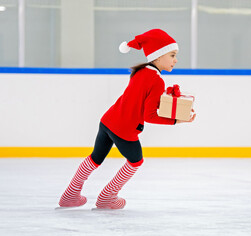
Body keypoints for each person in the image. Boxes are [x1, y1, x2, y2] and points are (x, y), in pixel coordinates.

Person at [58, 29, 196, 210]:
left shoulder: (141, 72)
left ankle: (70, 195)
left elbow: (140, 99)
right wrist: (177, 121)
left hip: (108, 121)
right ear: (158, 56)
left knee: (95, 158)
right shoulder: (157, 80)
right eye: (172, 55)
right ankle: (107, 198)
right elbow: (149, 116)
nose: (175, 60)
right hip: (124, 129)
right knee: (135, 161)